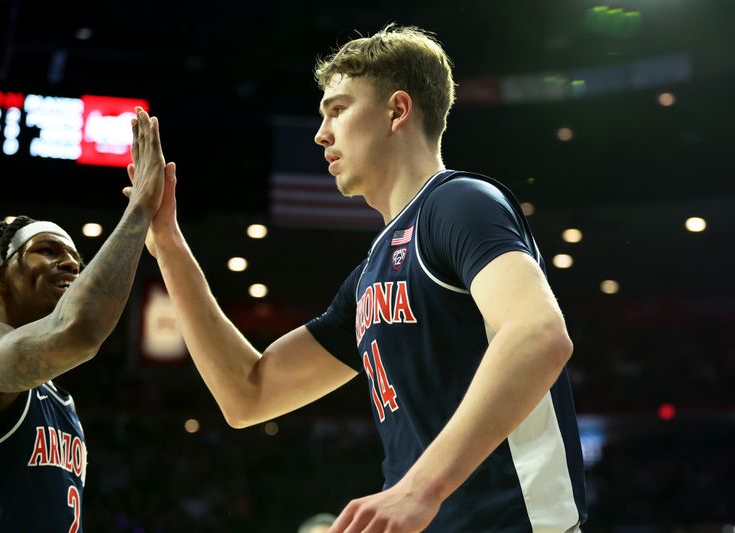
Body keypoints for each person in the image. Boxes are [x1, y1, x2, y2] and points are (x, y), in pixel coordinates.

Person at [139, 24, 587, 532]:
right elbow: (250, 394)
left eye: (338, 109)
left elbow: (539, 333)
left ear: (398, 111)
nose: (320, 133)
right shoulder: (371, 273)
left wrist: (420, 488)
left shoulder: (460, 203)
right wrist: (170, 247)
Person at [0, 107, 165, 532]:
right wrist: (139, 209)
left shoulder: (58, 398)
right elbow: (79, 332)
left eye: (76, 259)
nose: (70, 266)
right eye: (48, 251)